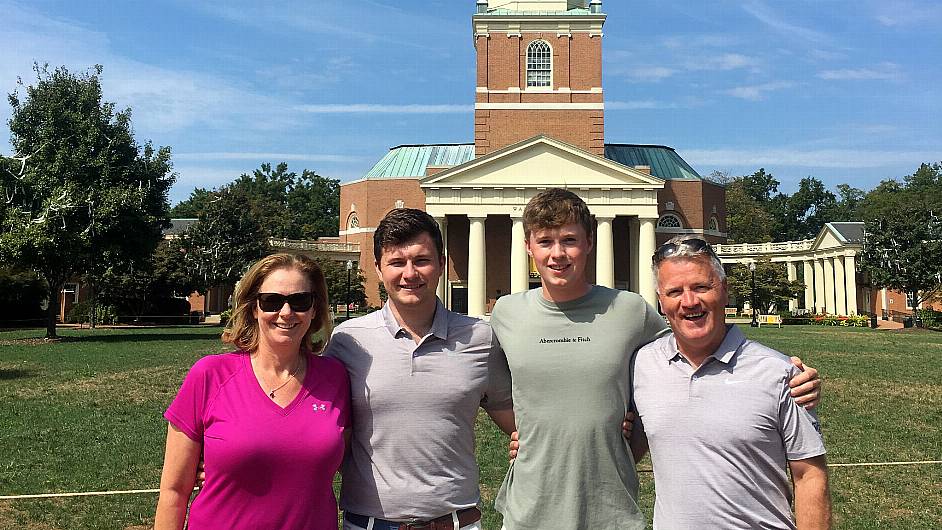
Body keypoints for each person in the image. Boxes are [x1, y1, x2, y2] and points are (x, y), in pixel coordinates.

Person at [491, 188, 821, 529]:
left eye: (570, 240)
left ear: (589, 242)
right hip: (527, 507)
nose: (558, 254)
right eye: (545, 241)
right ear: (528, 246)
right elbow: (483, 383)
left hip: (610, 509)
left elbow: (690, 349)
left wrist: (785, 376)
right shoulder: (506, 313)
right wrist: (525, 430)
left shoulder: (630, 310)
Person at [324, 208, 515, 530]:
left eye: (421, 260)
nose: (409, 274)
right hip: (369, 522)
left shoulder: (480, 339)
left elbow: (519, 422)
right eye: (397, 262)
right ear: (378, 268)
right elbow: (311, 421)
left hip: (456, 521)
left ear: (441, 263)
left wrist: (608, 423)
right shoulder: (348, 341)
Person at [630, 235, 831, 529]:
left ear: (724, 291)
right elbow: (626, 449)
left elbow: (809, 475)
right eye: (675, 291)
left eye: (701, 287)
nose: (689, 302)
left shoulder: (779, 373)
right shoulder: (643, 365)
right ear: (661, 302)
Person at [155, 253, 349, 530]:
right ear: (254, 307)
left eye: (300, 301)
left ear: (315, 309)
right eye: (271, 301)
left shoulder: (336, 378)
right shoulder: (210, 375)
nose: (286, 312)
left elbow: (360, 459)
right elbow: (173, 492)